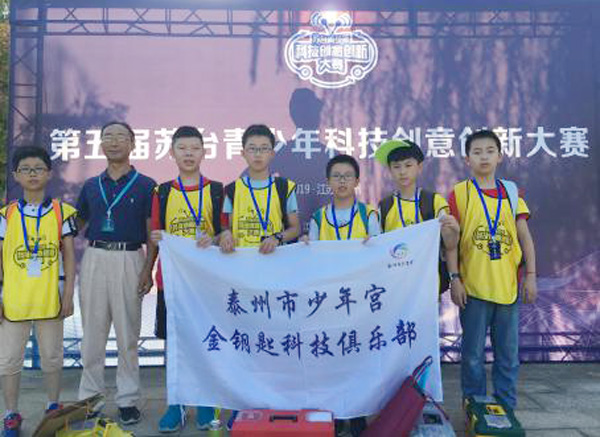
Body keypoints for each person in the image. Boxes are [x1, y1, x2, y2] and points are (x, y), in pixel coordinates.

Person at [446, 129, 537, 409]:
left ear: (499, 156)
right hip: (473, 289)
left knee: (507, 355)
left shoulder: (512, 192)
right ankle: (474, 409)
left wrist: (531, 276)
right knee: (472, 356)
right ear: (467, 159)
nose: (483, 157)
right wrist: (454, 278)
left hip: (508, 288)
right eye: (477, 152)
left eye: (489, 151)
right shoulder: (459, 194)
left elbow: (525, 238)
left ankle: (506, 408)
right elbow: (451, 243)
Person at [218, 124, 301, 429]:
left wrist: (278, 238)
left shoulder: (284, 187)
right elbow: (223, 228)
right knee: (244, 342)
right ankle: (244, 405)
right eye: (252, 148)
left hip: (276, 276)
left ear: (272, 153)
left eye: (264, 148)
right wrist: (225, 235)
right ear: (242, 152)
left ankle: (277, 400)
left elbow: (295, 228)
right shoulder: (231, 190)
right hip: (242, 279)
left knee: (274, 338)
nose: (258, 154)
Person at [76, 121, 156, 425]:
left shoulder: (146, 185)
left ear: (133, 144)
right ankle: (90, 399)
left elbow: (152, 232)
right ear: (101, 144)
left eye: (121, 136)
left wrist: (148, 268)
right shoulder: (90, 185)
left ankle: (127, 400)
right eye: (108, 136)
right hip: (95, 257)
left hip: (130, 258)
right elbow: (76, 224)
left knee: (128, 336)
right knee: (92, 336)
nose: (114, 141)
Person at [149, 126, 222, 433]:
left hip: (205, 282)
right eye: (182, 148)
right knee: (175, 344)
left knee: (207, 340)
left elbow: (224, 234)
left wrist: (214, 238)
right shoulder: (163, 192)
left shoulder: (217, 190)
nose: (189, 154)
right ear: (172, 153)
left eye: (194, 148)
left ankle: (206, 402)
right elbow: (155, 233)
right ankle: (176, 404)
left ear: (204, 152)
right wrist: (150, 260)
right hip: (171, 281)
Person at [0, 146, 77, 436]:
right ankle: (10, 413)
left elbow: (70, 257)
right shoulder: (6, 215)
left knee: (52, 357)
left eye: (38, 169)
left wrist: (68, 295)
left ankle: (53, 407)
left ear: (49, 174)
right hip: (14, 300)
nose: (32, 174)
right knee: (9, 360)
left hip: (50, 298)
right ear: (16, 176)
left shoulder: (62, 212)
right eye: (26, 169)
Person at [303, 154, 379, 437]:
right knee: (331, 360)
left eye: (347, 176)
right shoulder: (319, 217)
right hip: (329, 300)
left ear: (357, 180)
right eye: (336, 176)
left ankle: (357, 414)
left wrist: (374, 246)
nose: (342, 181)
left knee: (358, 358)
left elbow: (379, 255)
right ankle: (333, 414)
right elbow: (311, 260)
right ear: (328, 182)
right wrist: (305, 245)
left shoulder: (369, 215)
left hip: (360, 300)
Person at [374, 139, 460, 293]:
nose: (402, 171)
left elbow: (450, 244)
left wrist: (452, 232)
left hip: (428, 286)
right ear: (390, 171)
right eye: (396, 167)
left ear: (419, 167)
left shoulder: (434, 201)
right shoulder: (385, 206)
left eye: (408, 165)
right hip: (395, 285)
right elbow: (377, 247)